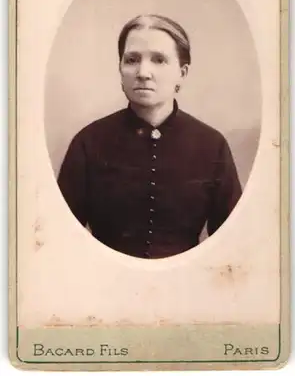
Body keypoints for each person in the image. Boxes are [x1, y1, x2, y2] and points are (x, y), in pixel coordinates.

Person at [57, 14, 242, 259]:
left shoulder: (212, 146)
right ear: (120, 69)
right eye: (132, 60)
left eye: (159, 60)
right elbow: (59, 240)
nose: (143, 72)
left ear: (182, 73)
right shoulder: (88, 143)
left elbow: (232, 247)